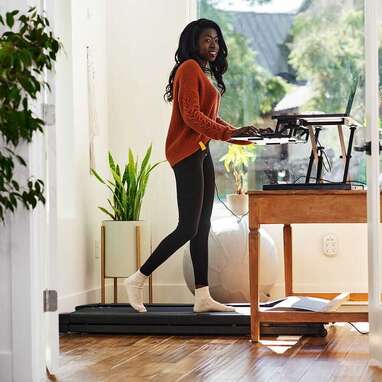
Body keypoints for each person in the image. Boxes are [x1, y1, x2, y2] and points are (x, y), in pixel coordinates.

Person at [124, 18, 257, 313]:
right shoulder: (188, 69)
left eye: (217, 41)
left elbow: (210, 118)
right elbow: (192, 117)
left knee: (202, 226)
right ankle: (137, 279)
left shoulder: (203, 73)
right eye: (207, 39)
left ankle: (202, 295)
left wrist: (240, 136)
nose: (214, 45)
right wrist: (229, 134)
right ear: (193, 42)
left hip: (201, 151)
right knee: (187, 227)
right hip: (185, 153)